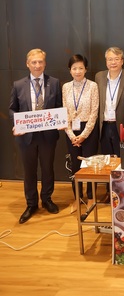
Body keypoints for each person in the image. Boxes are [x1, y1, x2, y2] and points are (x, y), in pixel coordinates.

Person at [9, 49, 62, 224]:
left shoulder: (54, 83)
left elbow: (60, 107)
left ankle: (46, 199)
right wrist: (16, 124)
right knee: (29, 171)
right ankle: (31, 204)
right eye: (34, 62)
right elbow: (12, 109)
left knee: (47, 169)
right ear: (27, 64)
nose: (37, 65)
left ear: (45, 63)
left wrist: (61, 120)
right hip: (26, 137)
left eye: (40, 62)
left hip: (48, 136)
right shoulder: (18, 85)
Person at [95, 47, 124, 202]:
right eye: (110, 59)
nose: (113, 62)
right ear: (106, 61)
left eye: (116, 59)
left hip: (123, 126)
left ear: (122, 61)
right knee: (107, 160)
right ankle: (109, 192)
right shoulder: (99, 77)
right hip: (104, 125)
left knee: (123, 160)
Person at [62, 54, 99, 213]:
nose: (78, 71)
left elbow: (94, 112)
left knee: (89, 166)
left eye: (81, 68)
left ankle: (91, 197)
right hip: (71, 130)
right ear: (70, 70)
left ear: (86, 69)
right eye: (74, 68)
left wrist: (84, 134)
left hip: (88, 130)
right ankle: (78, 198)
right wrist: (71, 135)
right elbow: (64, 112)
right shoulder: (65, 87)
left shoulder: (93, 86)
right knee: (75, 167)